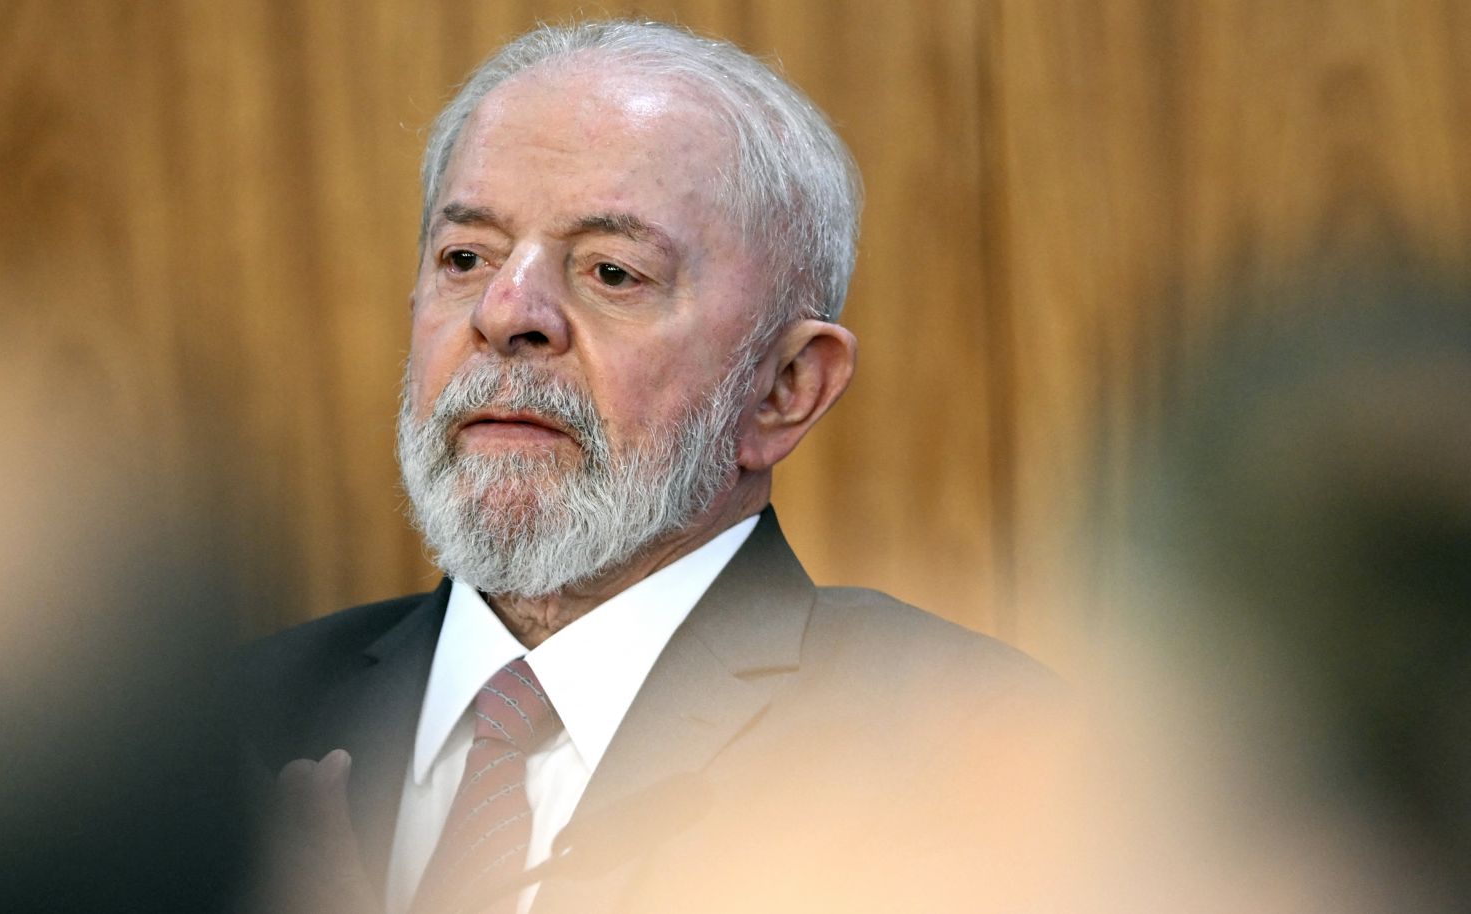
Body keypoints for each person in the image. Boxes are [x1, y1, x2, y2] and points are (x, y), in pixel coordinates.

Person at [233, 20, 1056, 914]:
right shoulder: (223, 727)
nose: (508, 313)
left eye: (614, 273)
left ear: (784, 388)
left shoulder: (972, 757)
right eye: (465, 258)